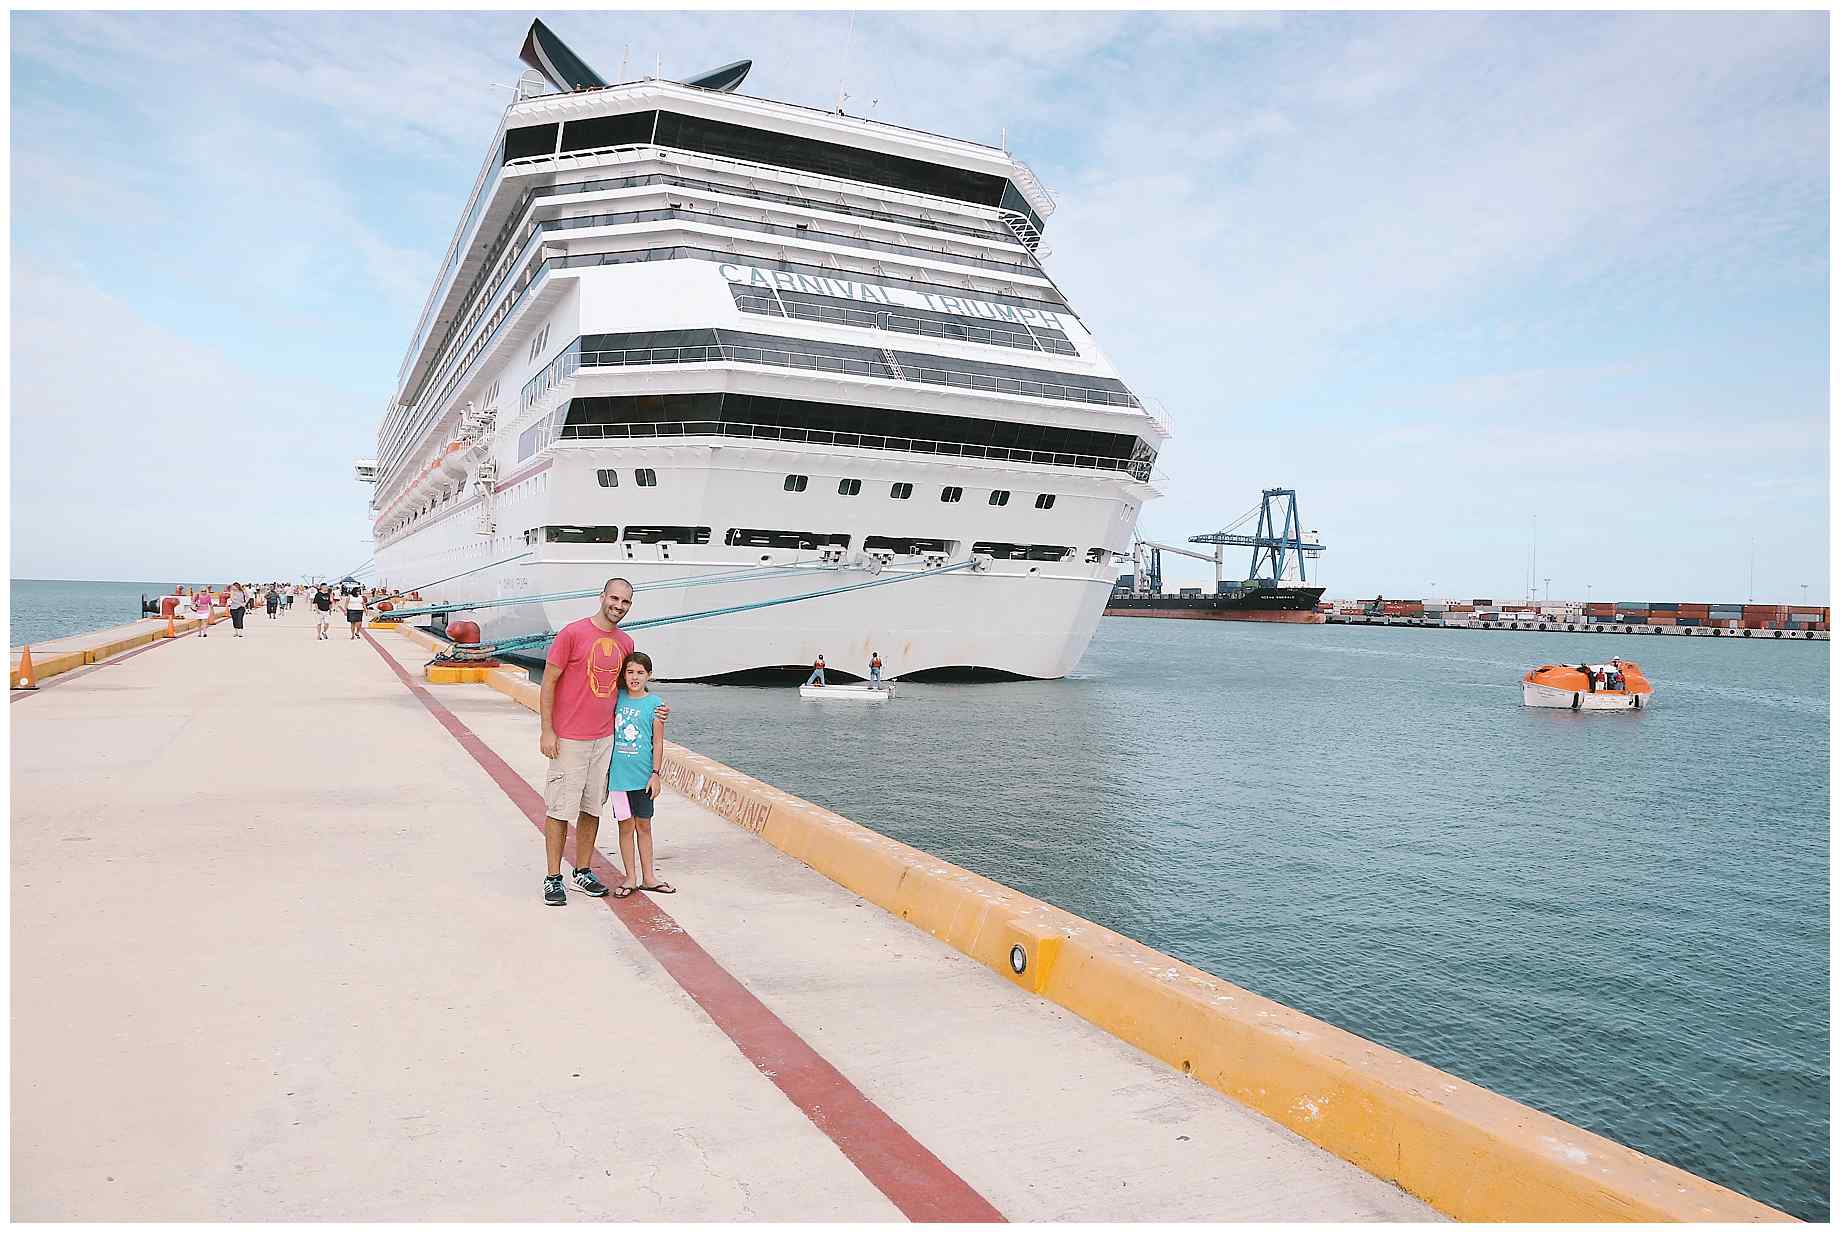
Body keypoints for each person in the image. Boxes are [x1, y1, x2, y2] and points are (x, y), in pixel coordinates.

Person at [538, 578, 666, 907]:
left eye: (625, 601)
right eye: (614, 598)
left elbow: (629, 687)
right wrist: (547, 730)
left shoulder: (625, 642)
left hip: (605, 739)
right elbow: (549, 681)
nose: (618, 605)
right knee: (560, 809)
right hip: (568, 738)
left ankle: (582, 870)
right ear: (602, 597)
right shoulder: (572, 633)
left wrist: (655, 708)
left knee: (591, 807)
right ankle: (553, 877)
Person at [609, 651, 671, 898]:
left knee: (644, 826)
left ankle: (649, 877)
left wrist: (655, 774)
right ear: (624, 674)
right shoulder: (617, 698)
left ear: (649, 675)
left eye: (640, 673)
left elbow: (658, 741)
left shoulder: (655, 704)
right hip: (618, 779)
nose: (635, 677)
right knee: (625, 827)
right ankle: (630, 877)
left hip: (643, 777)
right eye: (630, 672)